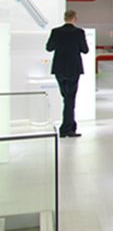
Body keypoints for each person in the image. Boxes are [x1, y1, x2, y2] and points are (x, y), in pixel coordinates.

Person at [46, 10, 89, 138]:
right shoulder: (79, 32)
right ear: (74, 18)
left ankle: (69, 126)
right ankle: (67, 128)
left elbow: (49, 48)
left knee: (66, 97)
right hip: (73, 68)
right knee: (70, 98)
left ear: (64, 18)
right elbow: (85, 50)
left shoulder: (56, 32)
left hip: (59, 68)